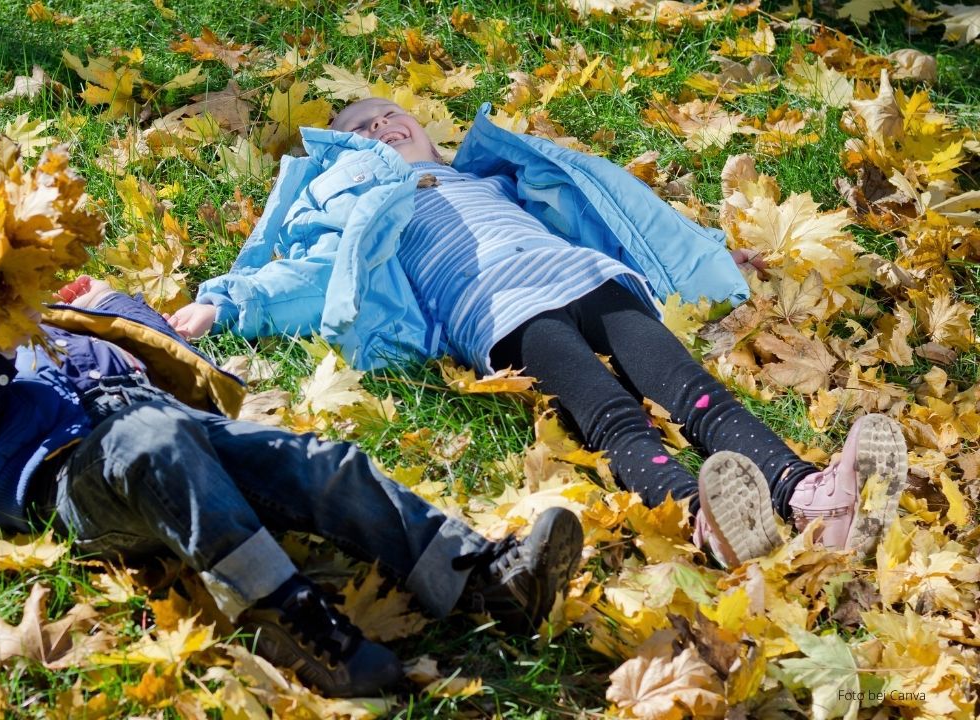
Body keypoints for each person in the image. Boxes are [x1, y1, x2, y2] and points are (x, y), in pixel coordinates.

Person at [166, 97, 909, 567]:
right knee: (612, 417)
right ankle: (701, 518)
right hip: (502, 314)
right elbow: (311, 275)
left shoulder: (493, 179)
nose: (381, 126)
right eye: (360, 128)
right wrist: (227, 305)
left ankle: (810, 494)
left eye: (393, 116)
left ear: (425, 131)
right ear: (350, 155)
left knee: (693, 391)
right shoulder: (366, 210)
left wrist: (709, 258)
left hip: (592, 280)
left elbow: (623, 220)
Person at [0, 276, 584, 698]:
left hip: (168, 423)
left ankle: (480, 578)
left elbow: (165, 358)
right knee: (152, 444)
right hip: (70, 478)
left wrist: (109, 305)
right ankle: (291, 618)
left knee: (318, 462)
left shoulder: (52, 323)